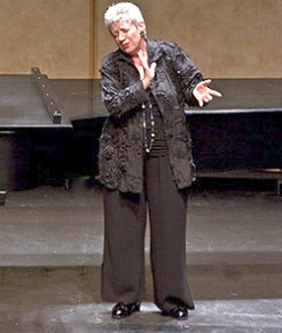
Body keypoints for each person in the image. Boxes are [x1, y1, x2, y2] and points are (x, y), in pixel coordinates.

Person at [97, 3, 221, 319]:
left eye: (124, 30)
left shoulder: (168, 53)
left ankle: (172, 300)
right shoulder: (111, 66)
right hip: (126, 157)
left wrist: (196, 90)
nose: (120, 38)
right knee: (124, 230)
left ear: (141, 26)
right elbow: (113, 104)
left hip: (168, 155)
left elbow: (191, 79)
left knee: (169, 230)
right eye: (115, 34)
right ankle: (127, 297)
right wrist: (143, 85)